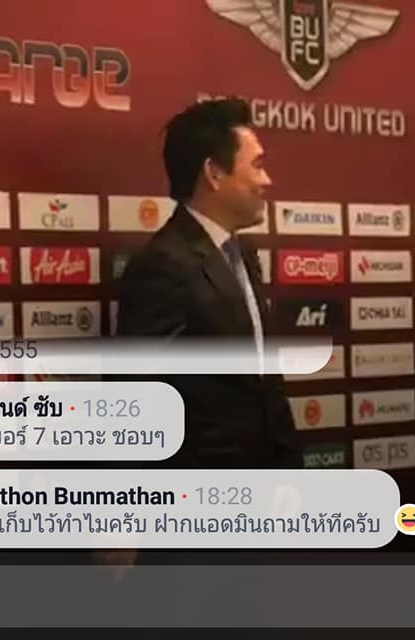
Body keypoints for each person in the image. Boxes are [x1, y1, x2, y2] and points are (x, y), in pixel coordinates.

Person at [116, 97, 297, 471]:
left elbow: (264, 386)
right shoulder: (163, 265)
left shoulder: (244, 254)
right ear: (214, 173)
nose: (267, 180)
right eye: (257, 165)